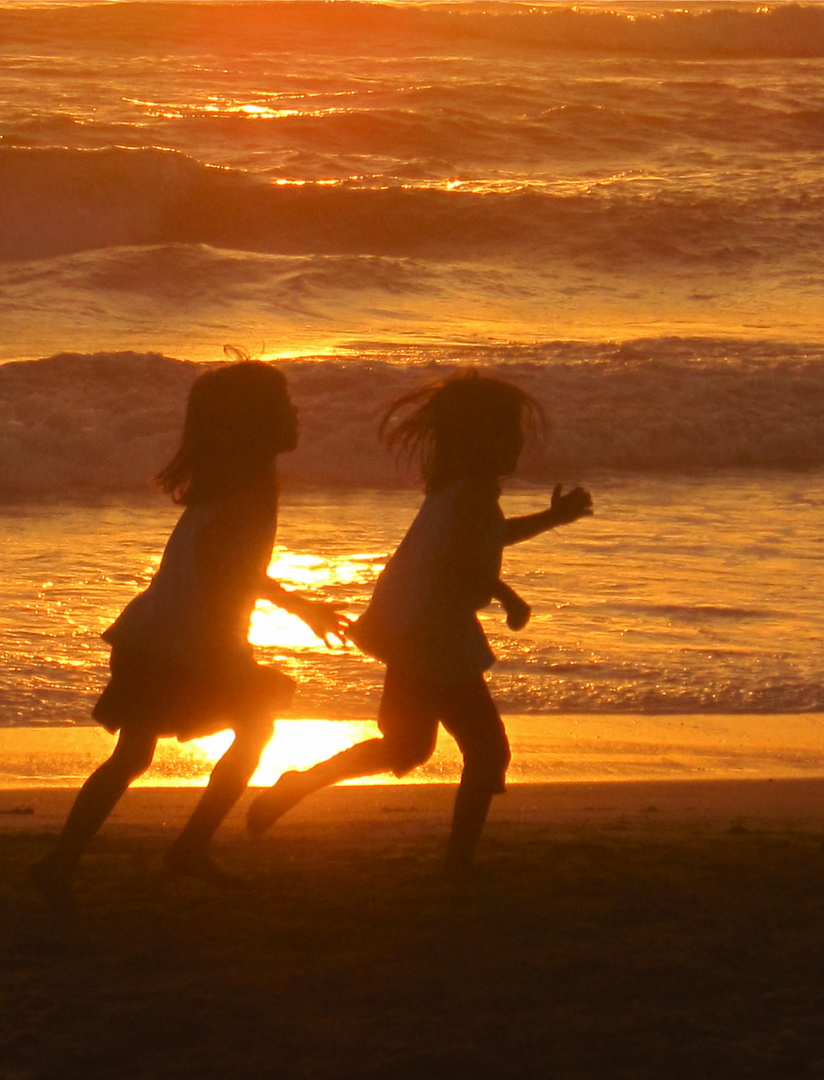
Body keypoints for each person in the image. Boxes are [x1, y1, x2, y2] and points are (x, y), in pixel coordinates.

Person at [246, 369, 592, 875]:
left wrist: (551, 518)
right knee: (487, 751)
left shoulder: (458, 488)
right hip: (435, 638)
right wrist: (508, 596)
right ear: (481, 441)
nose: (517, 444)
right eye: (508, 434)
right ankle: (458, 864)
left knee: (406, 746)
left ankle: (300, 785)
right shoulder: (471, 492)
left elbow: (486, 537)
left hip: (414, 630)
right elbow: (462, 562)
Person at [31, 360, 345, 915]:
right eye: (282, 407)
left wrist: (291, 610)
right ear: (252, 424)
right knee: (248, 730)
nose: (296, 414)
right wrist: (295, 610)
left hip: (154, 633)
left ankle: (67, 860)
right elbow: (226, 567)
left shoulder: (227, 482)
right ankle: (182, 848)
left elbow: (226, 566)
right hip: (184, 641)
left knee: (137, 754)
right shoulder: (246, 488)